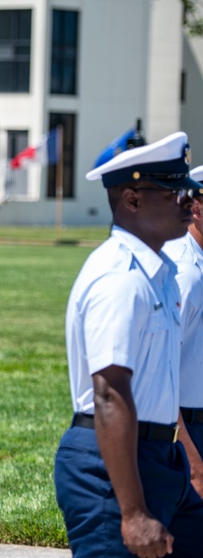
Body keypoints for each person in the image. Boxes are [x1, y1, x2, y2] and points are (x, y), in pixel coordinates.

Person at [56, 132, 203, 558]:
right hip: (110, 463)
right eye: (173, 191)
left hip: (158, 455)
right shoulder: (118, 275)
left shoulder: (156, 272)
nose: (187, 202)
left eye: (188, 191)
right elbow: (109, 393)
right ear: (132, 200)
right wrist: (133, 512)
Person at [162, 164, 203, 500]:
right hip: (187, 428)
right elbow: (162, 373)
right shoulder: (185, 271)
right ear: (196, 207)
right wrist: (193, 459)